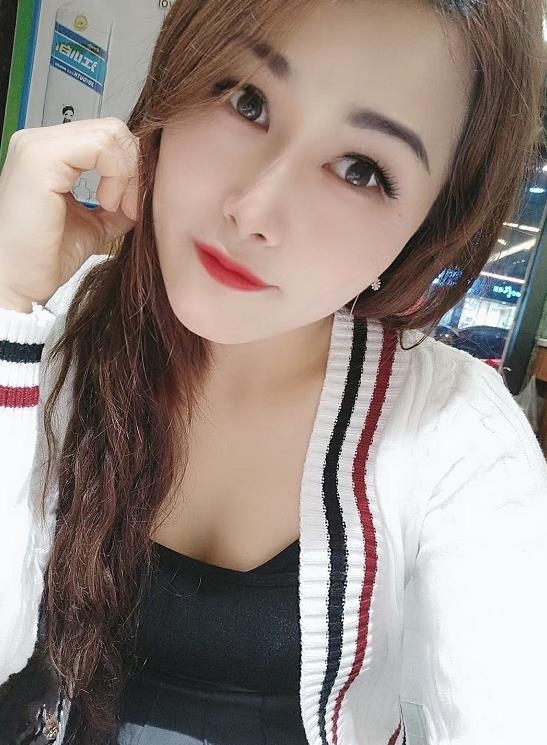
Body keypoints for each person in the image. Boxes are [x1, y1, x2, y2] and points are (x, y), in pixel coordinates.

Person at [0, 0, 546, 743]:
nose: (254, 210)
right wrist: (7, 309)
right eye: (246, 100)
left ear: (432, 223)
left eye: (360, 170)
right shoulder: (43, 327)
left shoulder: (458, 441)